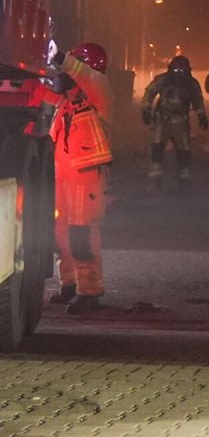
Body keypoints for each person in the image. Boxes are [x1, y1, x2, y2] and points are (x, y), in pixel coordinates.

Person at [42, 43, 113, 313]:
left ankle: (90, 291)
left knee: (82, 234)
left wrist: (60, 57)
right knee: (60, 232)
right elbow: (44, 93)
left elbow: (85, 75)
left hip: (87, 176)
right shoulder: (68, 99)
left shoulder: (100, 89)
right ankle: (69, 284)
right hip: (64, 175)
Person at [141, 55, 208, 182]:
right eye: (176, 70)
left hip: (180, 121)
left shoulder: (191, 84)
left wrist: (202, 115)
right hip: (162, 119)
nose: (179, 74)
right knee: (157, 144)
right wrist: (146, 109)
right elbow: (149, 93)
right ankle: (156, 167)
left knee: (184, 147)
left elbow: (197, 100)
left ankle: (184, 170)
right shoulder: (162, 80)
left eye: (182, 71)